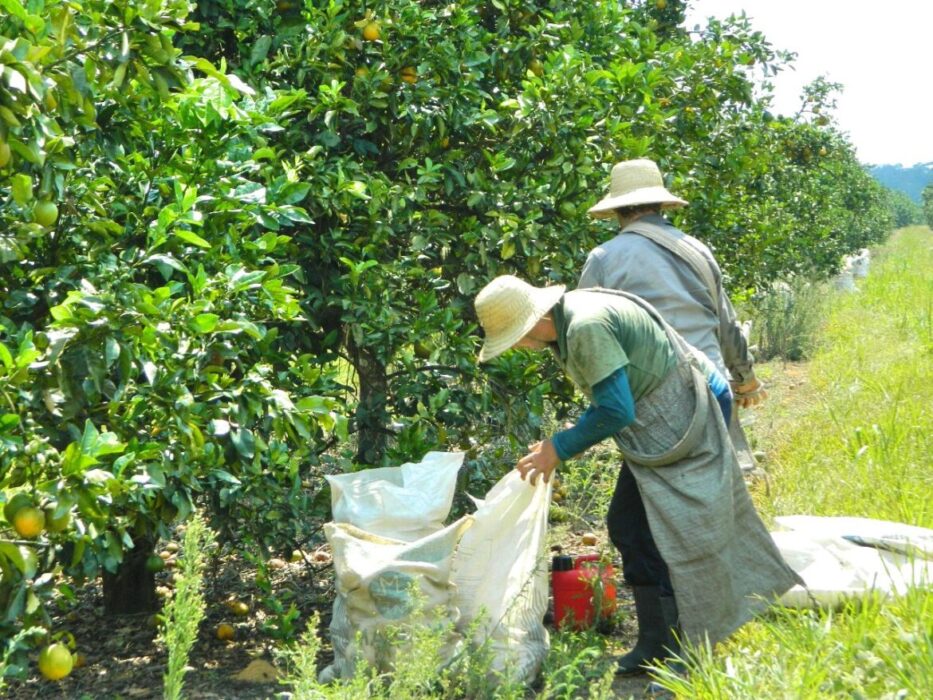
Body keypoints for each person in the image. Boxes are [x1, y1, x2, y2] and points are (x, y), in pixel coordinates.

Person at [474, 275, 801, 678]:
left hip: (686, 408)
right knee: (628, 524)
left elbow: (616, 411)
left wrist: (556, 448)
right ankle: (655, 641)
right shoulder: (566, 323)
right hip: (657, 414)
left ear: (535, 319)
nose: (521, 347)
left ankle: (688, 652)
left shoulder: (585, 326)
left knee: (676, 530)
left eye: (517, 337)